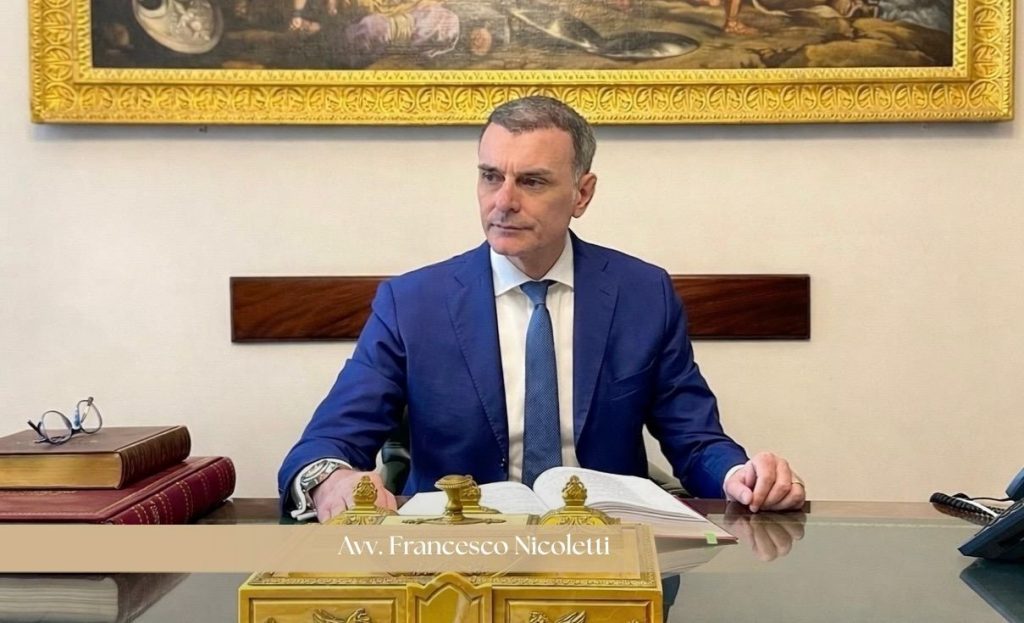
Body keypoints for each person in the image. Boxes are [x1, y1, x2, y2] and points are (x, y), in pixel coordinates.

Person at [278, 95, 806, 522]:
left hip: (606, 552)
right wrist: (330, 479)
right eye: (491, 176)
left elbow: (694, 439)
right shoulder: (413, 303)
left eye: (531, 181)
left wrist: (741, 476)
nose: (503, 201)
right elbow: (329, 440)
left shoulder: (642, 294)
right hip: (456, 557)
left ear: (582, 194)